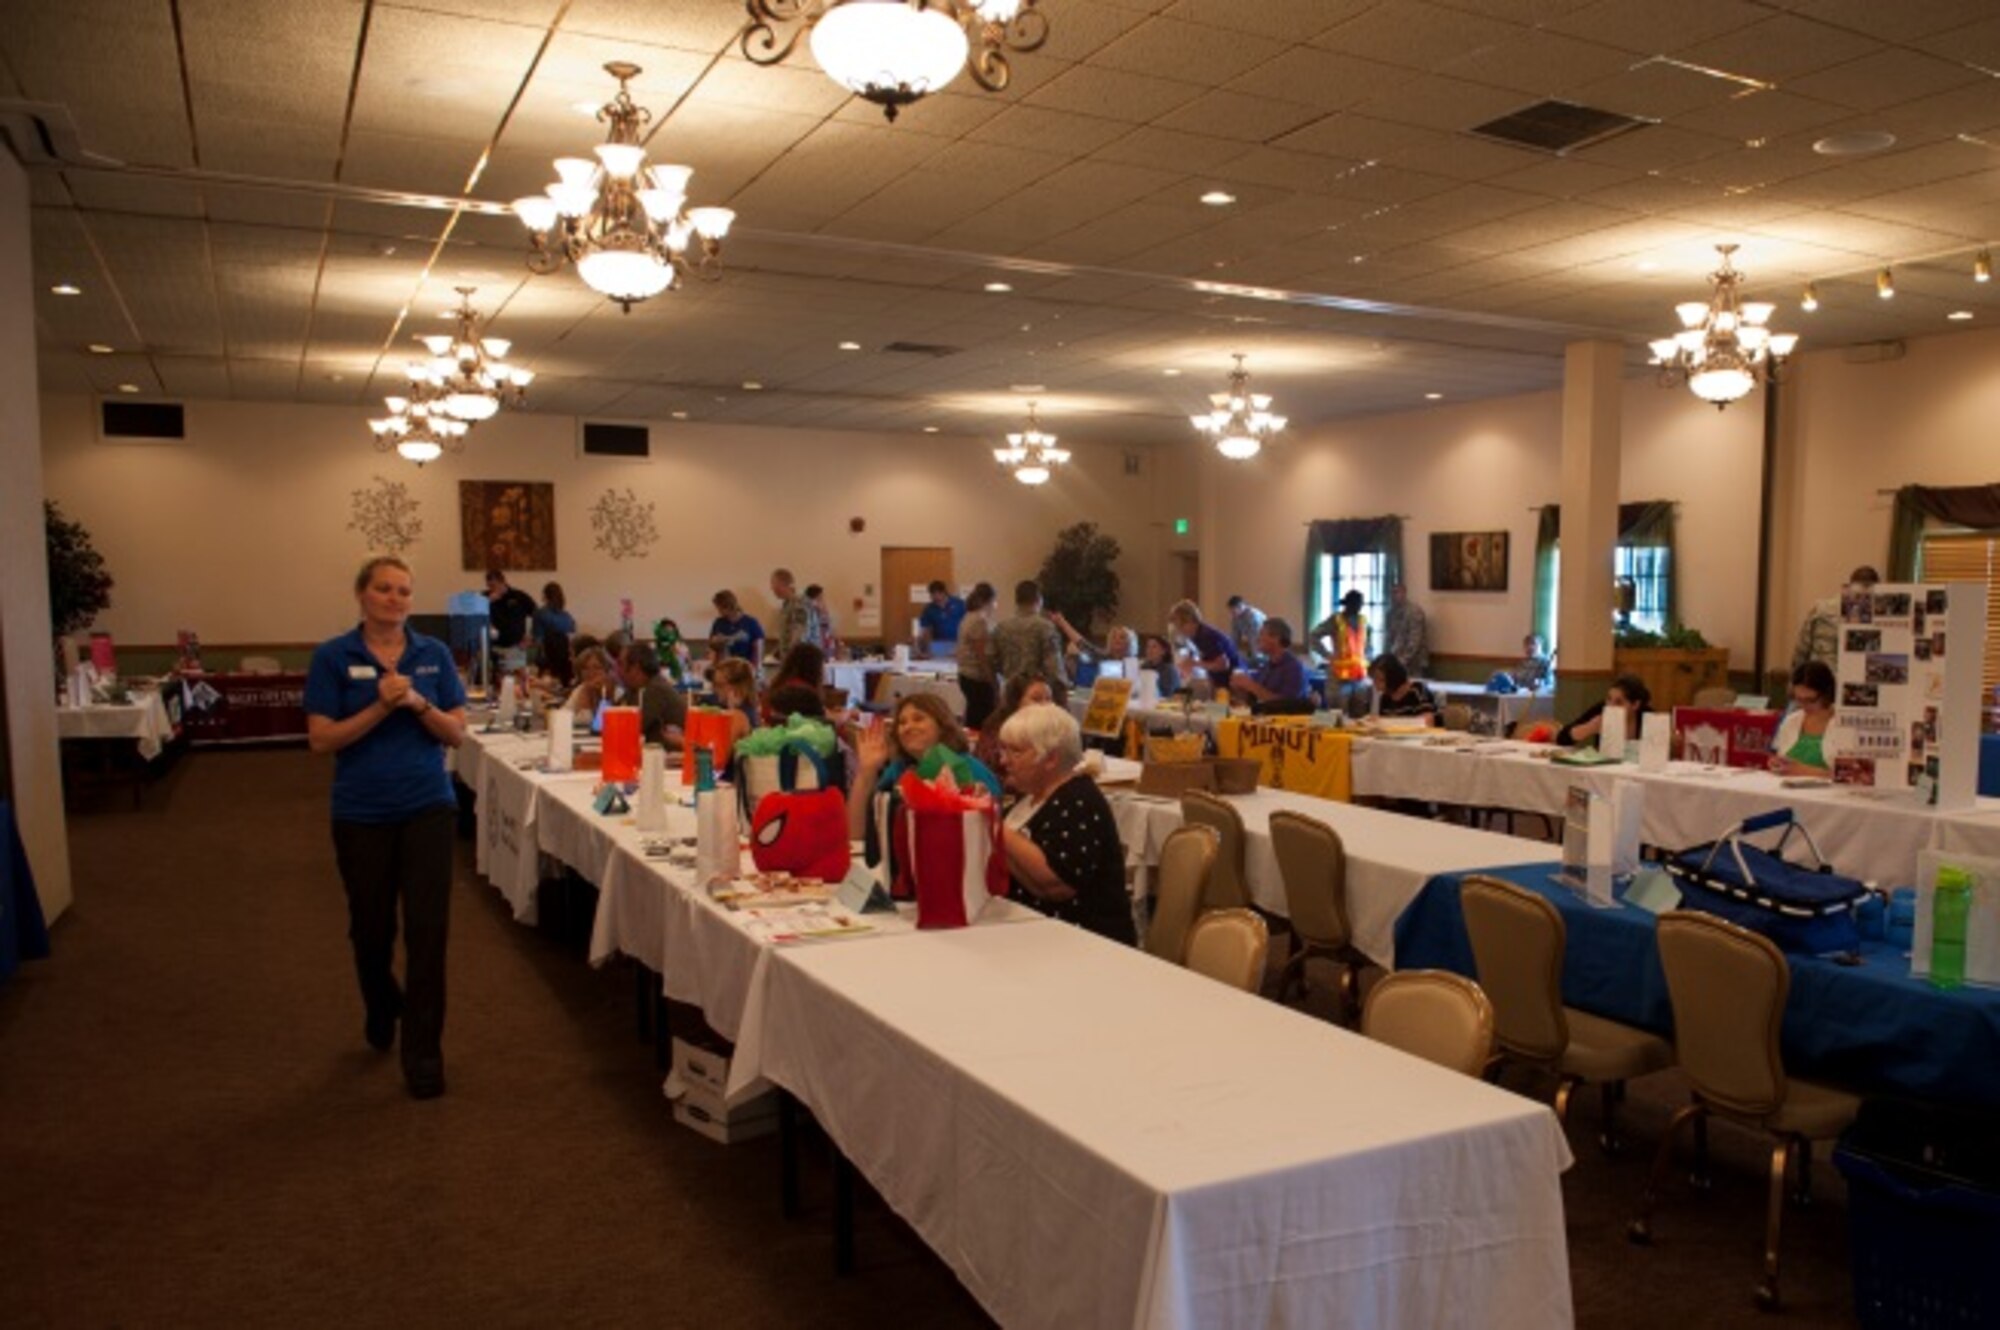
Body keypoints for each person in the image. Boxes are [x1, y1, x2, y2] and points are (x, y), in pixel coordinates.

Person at [305, 556, 468, 1101]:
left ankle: (423, 1053)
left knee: (428, 933)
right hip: (361, 813)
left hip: (428, 808)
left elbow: (456, 735)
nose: (395, 599)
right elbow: (322, 739)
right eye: (383, 589)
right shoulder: (333, 657)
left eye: (404, 591)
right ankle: (381, 1002)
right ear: (361, 595)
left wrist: (416, 701)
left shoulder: (433, 654)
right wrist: (380, 705)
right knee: (370, 930)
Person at [997, 703, 1138, 945]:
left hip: (1086, 945)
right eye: (1004, 751)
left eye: (1016, 752)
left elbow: (1055, 884)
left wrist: (992, 825)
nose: (1004, 761)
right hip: (1032, 935)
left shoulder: (1079, 801)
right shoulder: (1031, 797)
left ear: (1051, 758)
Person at [847, 693, 1003, 870]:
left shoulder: (967, 768)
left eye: (918, 719)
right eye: (902, 722)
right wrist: (867, 771)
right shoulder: (899, 770)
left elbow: (988, 838)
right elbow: (855, 834)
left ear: (942, 726)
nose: (908, 727)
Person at [1794, 565, 1882, 671]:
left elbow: (1802, 650)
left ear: (1850, 585)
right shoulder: (1880, 617)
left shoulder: (1821, 609)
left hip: (1820, 679)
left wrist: (1794, 682)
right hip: (1852, 678)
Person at [992, 580, 1069, 688]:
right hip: (1036, 693)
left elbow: (993, 662)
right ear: (1038, 599)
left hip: (1010, 691)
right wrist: (1062, 687)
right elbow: (1054, 667)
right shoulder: (1045, 627)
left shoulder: (1001, 628)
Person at [975, 673, 1056, 772]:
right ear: (1016, 702)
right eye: (1036, 699)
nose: (1045, 705)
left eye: (1048, 699)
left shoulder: (1051, 728)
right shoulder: (998, 730)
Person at [1770, 660, 1836, 776]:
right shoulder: (1791, 720)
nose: (1803, 706)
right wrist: (1777, 763)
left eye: (1810, 700)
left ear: (1827, 694)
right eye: (1798, 699)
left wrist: (1805, 771)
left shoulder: (1844, 725)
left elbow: (1852, 776)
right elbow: (1780, 755)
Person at [1310, 590, 1370, 714]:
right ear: (1348, 604)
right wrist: (1327, 655)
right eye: (1356, 604)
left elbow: (1367, 645)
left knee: (1360, 713)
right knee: (1338, 714)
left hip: (1359, 676)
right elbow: (1313, 636)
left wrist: (1369, 659)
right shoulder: (1336, 620)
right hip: (1338, 676)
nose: (1358, 607)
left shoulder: (1363, 621)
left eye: (1360, 604)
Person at [1229, 618, 1312, 708]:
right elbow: (1255, 697)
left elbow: (1286, 705)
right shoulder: (1267, 666)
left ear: (1276, 638)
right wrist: (1240, 688)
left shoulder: (1294, 668)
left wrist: (1250, 685)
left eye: (1262, 634)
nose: (1258, 638)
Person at [1555, 675, 1652, 748]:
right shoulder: (1601, 709)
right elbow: (1562, 738)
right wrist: (1589, 728)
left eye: (1619, 702)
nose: (1611, 706)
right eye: (1609, 699)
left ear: (1635, 705)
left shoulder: (1648, 716)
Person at [619, 642, 686, 748]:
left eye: (621, 664)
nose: (618, 671)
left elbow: (630, 729)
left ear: (635, 669)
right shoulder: (636, 688)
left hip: (673, 755)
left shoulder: (656, 690)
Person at [1168, 599, 1241, 695]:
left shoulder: (1206, 636)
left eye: (1181, 626)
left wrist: (1195, 663)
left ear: (1191, 621)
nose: (1180, 630)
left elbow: (1223, 664)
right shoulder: (1195, 636)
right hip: (1218, 681)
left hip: (1233, 682)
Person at [956, 582, 1000, 730]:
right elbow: (983, 656)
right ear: (990, 600)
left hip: (966, 674)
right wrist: (992, 681)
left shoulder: (968, 616)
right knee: (981, 718)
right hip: (977, 676)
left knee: (974, 713)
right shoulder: (979, 620)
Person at [484, 568, 536, 664]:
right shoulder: (484, 598)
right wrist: (488, 602)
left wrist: (531, 637)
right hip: (493, 648)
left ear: (503, 582)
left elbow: (537, 616)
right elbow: (474, 616)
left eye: (493, 585)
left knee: (516, 677)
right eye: (489, 586)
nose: (491, 589)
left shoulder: (519, 596)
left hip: (516, 647)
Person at [1369, 653, 1438, 724]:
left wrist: (1391, 722)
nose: (1376, 685)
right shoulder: (1385, 697)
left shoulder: (1418, 690)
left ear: (1393, 678)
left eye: (1381, 680)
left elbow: (1427, 721)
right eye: (1374, 680)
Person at [769, 567, 819, 663]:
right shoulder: (787, 604)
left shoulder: (798, 603)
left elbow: (800, 632)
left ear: (782, 584)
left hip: (801, 660)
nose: (771, 588)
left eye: (773, 583)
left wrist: (791, 659)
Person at [707, 590, 765, 669]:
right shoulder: (718, 623)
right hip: (724, 667)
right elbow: (712, 648)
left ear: (727, 606)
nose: (718, 611)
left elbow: (758, 648)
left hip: (745, 667)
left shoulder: (751, 623)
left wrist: (755, 668)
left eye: (719, 607)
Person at [709, 657, 760, 745]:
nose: (715, 690)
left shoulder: (738, 716)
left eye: (719, 685)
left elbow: (718, 753)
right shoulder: (748, 709)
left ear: (737, 687)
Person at [1384, 582, 1430, 679]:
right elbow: (1390, 637)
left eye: (1397, 592)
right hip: (1396, 660)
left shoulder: (1414, 612)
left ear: (1404, 593)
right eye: (1392, 593)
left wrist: (1404, 659)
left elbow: (1415, 640)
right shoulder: (1390, 613)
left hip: (1414, 662)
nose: (1394, 596)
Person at [916, 580, 966, 658]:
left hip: (958, 643)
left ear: (944, 593)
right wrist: (928, 648)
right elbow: (926, 630)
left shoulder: (959, 604)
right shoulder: (929, 609)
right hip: (939, 644)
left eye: (938, 595)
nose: (936, 598)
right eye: (933, 596)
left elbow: (968, 624)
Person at [564, 646, 615, 719]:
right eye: (585, 668)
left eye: (597, 667)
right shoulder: (580, 689)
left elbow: (601, 724)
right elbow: (564, 717)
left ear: (607, 670)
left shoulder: (617, 691)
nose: (591, 673)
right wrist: (586, 692)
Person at [1226, 595, 1267, 665]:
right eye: (1231, 612)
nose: (1232, 614)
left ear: (1240, 607)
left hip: (1263, 643)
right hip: (1253, 644)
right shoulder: (1236, 618)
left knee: (1258, 662)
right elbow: (1234, 637)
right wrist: (1230, 653)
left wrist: (1256, 655)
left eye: (1233, 611)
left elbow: (1255, 638)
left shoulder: (1252, 616)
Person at [1139, 634, 1181, 698]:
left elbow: (1167, 694)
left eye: (1154, 647)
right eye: (1148, 647)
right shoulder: (1144, 667)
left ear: (1163, 651)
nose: (1150, 650)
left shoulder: (1170, 670)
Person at [804, 583, 840, 658]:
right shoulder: (808, 615)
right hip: (813, 652)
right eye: (820, 598)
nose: (823, 602)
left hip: (827, 653)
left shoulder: (824, 615)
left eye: (822, 598)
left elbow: (830, 633)